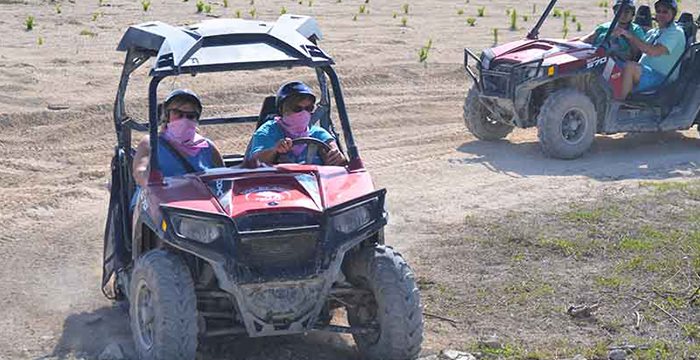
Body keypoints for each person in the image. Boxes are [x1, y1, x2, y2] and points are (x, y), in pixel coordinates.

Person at [132, 89, 223, 188]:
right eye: (178, 114)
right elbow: (139, 173)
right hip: (158, 199)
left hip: (201, 201)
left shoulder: (207, 147)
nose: (184, 119)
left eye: (190, 116)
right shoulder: (151, 143)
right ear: (167, 116)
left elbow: (224, 180)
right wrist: (154, 183)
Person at [246, 81, 347, 166]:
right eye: (297, 109)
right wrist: (274, 150)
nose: (303, 113)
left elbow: (339, 158)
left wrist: (337, 156)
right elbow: (256, 162)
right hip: (277, 185)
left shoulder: (318, 134)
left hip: (315, 185)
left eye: (308, 108)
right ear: (282, 110)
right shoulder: (268, 132)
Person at [613, 0, 686, 99]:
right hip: (645, 72)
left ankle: (620, 105)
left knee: (630, 67)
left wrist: (630, 36)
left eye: (665, 12)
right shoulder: (653, 32)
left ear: (673, 14)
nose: (661, 14)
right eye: (659, 11)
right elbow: (640, 48)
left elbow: (654, 51)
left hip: (662, 78)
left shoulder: (675, 32)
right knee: (614, 65)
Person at [581, 0, 647, 62]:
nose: (623, 14)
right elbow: (586, 40)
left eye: (627, 11)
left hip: (620, 64)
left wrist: (628, 36)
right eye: (620, 11)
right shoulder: (604, 27)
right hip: (595, 60)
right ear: (615, 12)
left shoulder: (636, 30)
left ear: (632, 14)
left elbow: (638, 54)